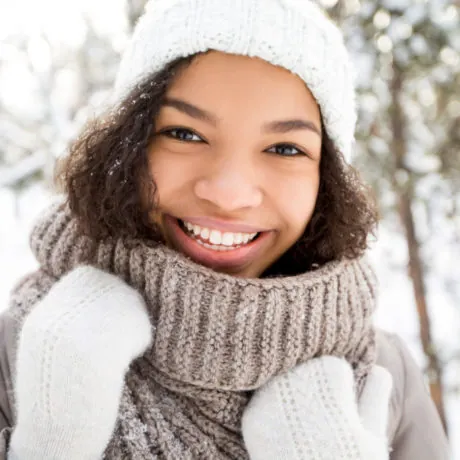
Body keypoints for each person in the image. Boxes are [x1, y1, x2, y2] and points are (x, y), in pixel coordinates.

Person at [0, 0, 449, 459]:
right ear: (126, 145)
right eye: (185, 134)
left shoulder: (384, 378)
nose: (229, 194)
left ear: (326, 179)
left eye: (285, 148)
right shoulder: (21, 351)